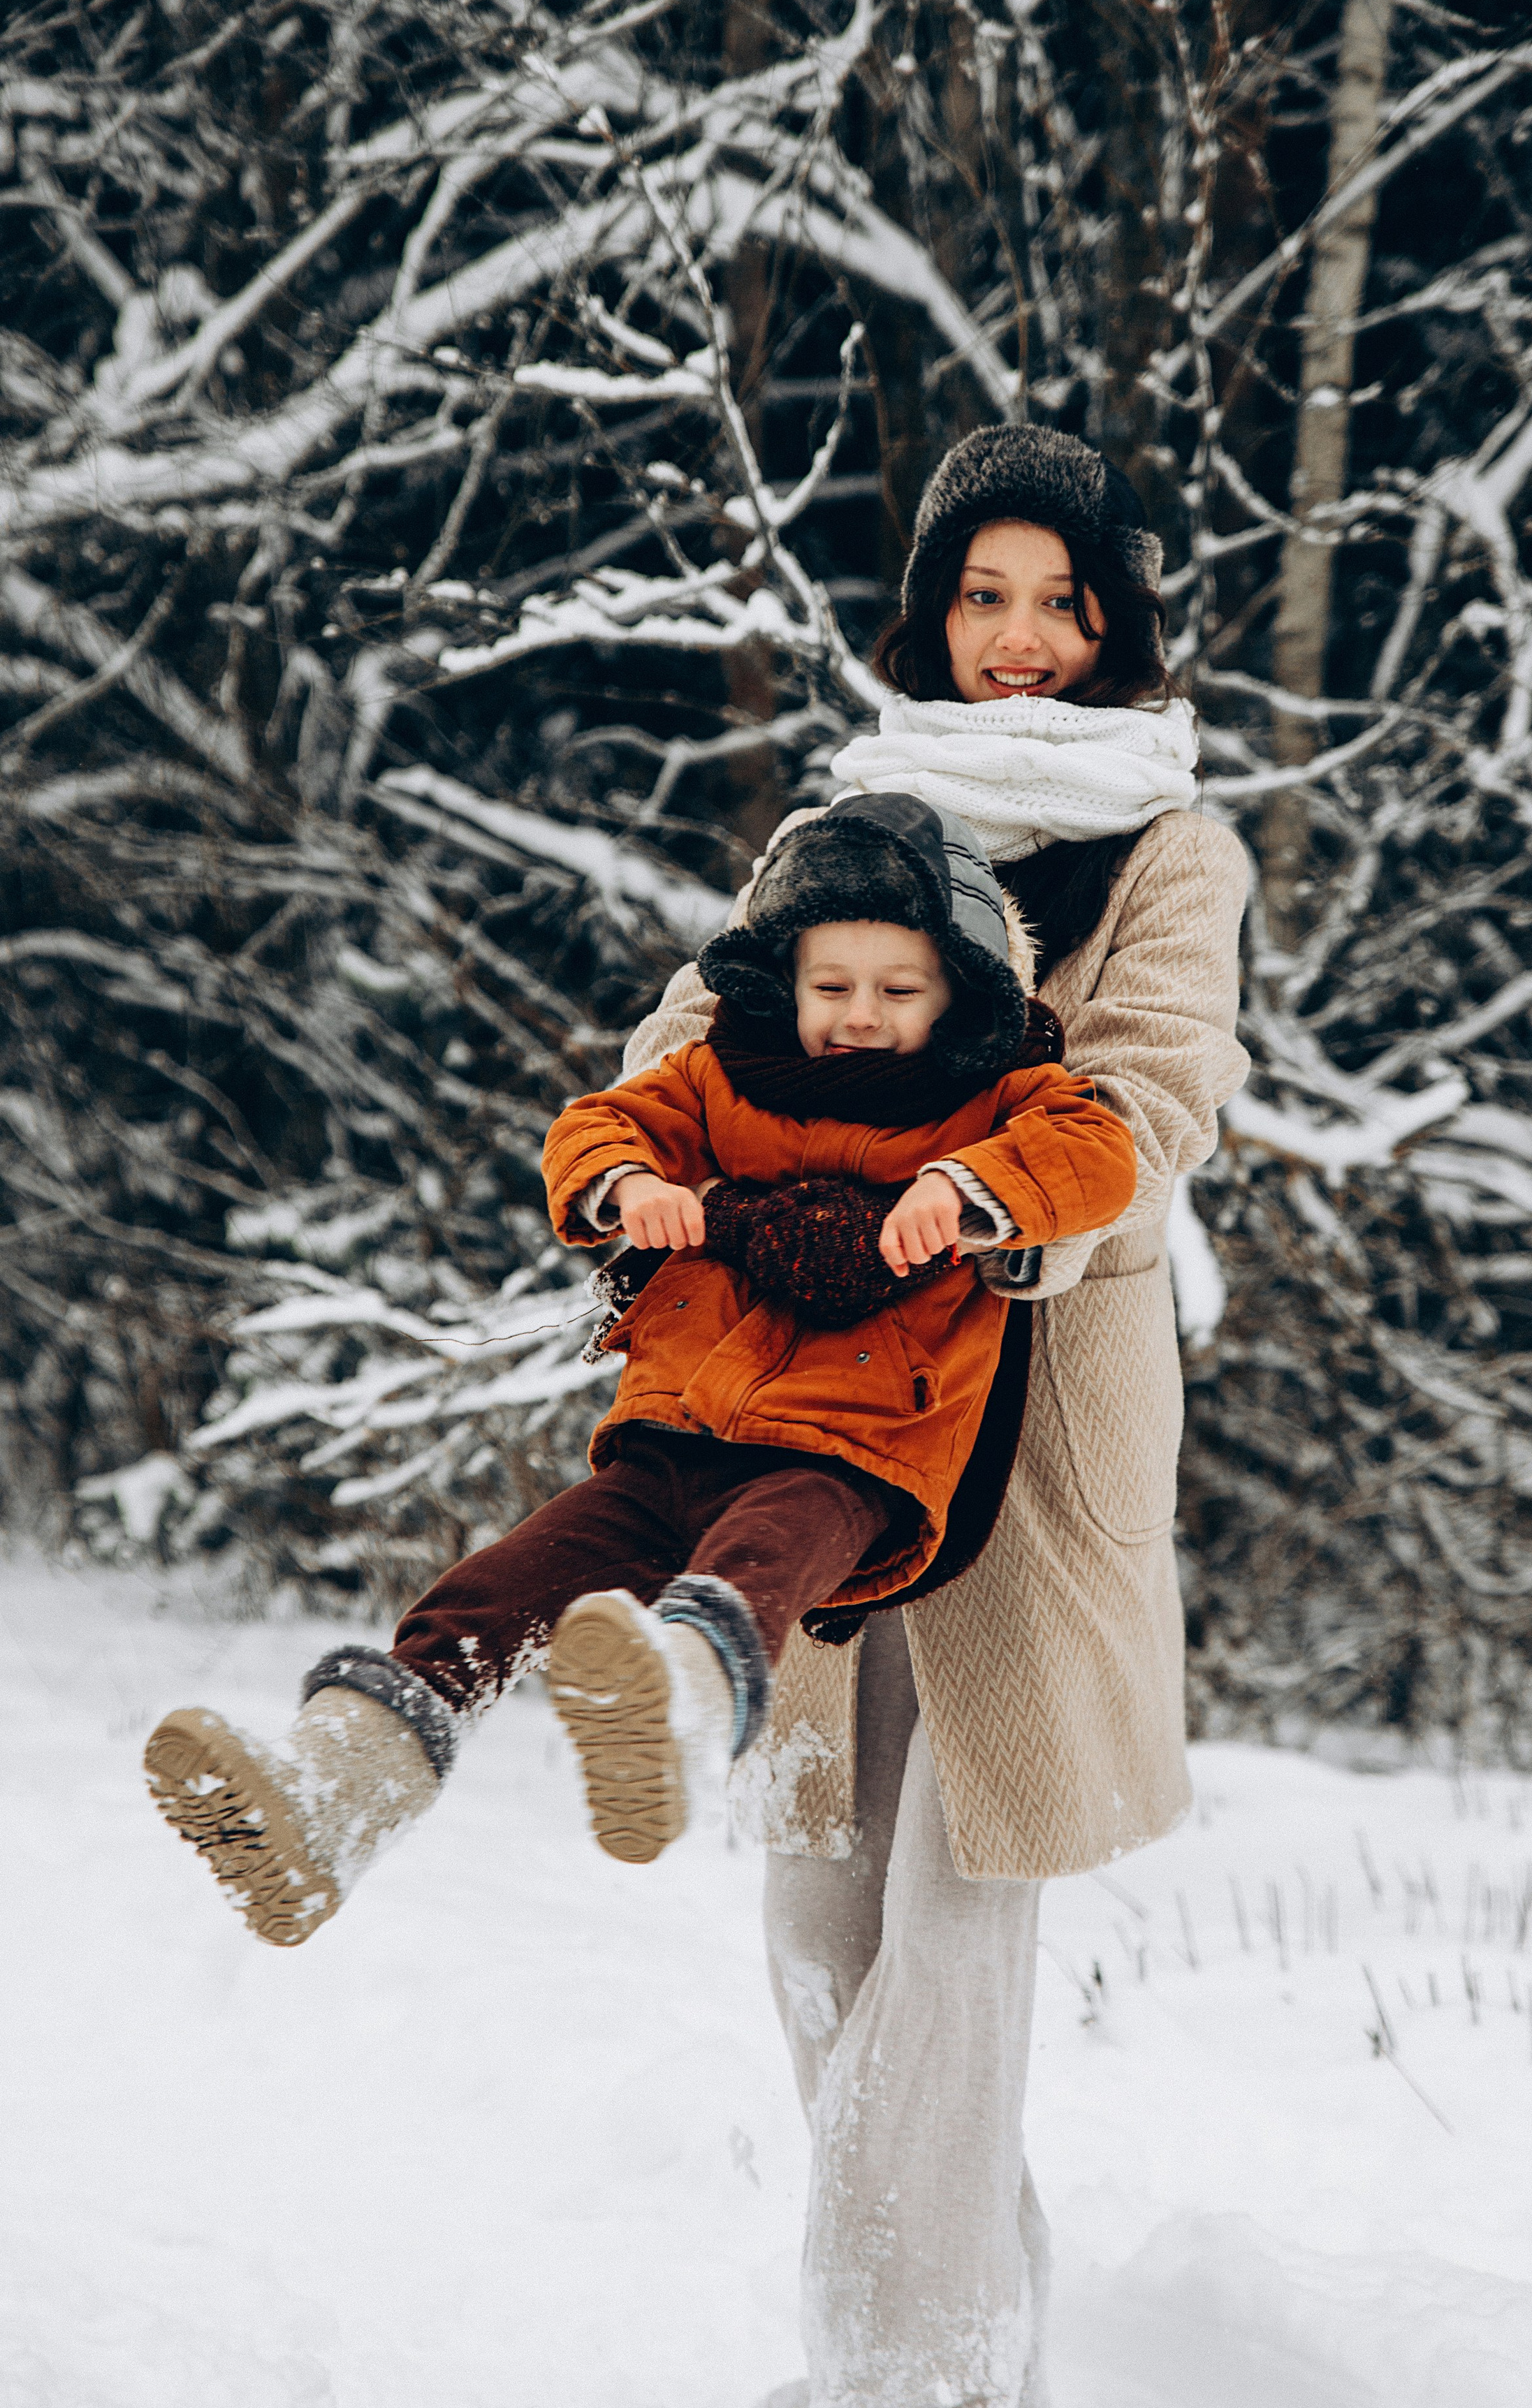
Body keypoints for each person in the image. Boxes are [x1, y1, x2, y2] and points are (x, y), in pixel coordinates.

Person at [623, 423, 1252, 2408]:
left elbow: (1155, 1098)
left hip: (1030, 1452)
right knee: (822, 1930)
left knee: (958, 1933)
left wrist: (984, 1191)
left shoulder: (1170, 852)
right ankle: (961, 2358)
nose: (1021, 638)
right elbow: (681, 1049)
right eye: (984, 595)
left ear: (1118, 621)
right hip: (823, 1425)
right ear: (929, 616)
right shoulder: (844, 826)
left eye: (1062, 599)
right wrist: (663, 1161)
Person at [141, 790, 1135, 1932]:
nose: (859, 1016)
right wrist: (629, 1184)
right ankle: (334, 1791)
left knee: (757, 1560)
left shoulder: (998, 1098)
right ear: (786, 982)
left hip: (852, 1452)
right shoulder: (723, 1074)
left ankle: (673, 1713)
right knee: (496, 1589)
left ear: (960, 988)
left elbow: (1096, 1151)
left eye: (899, 992)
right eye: (831, 988)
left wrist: (967, 1189)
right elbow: (598, 1124)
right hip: (674, 1434)